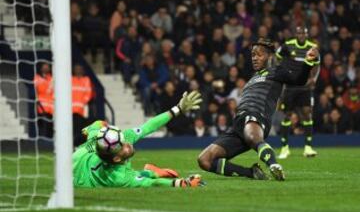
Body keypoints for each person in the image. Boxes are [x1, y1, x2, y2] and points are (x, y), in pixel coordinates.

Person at [197, 38, 319, 181]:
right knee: (204, 160)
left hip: (257, 116)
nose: (254, 58)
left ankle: (274, 166)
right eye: (253, 55)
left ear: (269, 56)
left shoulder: (276, 71)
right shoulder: (253, 77)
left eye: (259, 54)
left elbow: (299, 79)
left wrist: (308, 63)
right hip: (238, 125)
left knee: (252, 136)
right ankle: (251, 173)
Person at [73, 91, 205, 188]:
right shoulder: (118, 178)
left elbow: (148, 126)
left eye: (123, 141)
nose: (127, 144)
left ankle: (151, 171)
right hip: (77, 178)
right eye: (123, 146)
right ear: (116, 159)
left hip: (78, 158)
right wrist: (183, 183)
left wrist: (178, 109)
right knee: (138, 175)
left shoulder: (105, 140)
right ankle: (151, 172)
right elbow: (152, 184)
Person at [276, 27, 320, 159]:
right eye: (299, 33)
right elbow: (277, 56)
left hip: (304, 86)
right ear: (296, 34)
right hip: (290, 86)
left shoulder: (312, 46)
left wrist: (313, 78)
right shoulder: (288, 45)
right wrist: (283, 71)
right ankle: (284, 149)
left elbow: (317, 63)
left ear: (307, 34)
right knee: (287, 115)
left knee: (307, 114)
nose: (301, 35)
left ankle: (308, 148)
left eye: (304, 33)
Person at [34, 62, 53, 138]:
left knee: (49, 124)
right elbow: (35, 90)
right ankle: (42, 139)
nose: (46, 68)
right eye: (44, 67)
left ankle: (49, 138)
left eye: (47, 67)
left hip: (51, 106)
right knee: (42, 123)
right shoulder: (37, 77)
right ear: (41, 68)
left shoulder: (52, 78)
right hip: (41, 105)